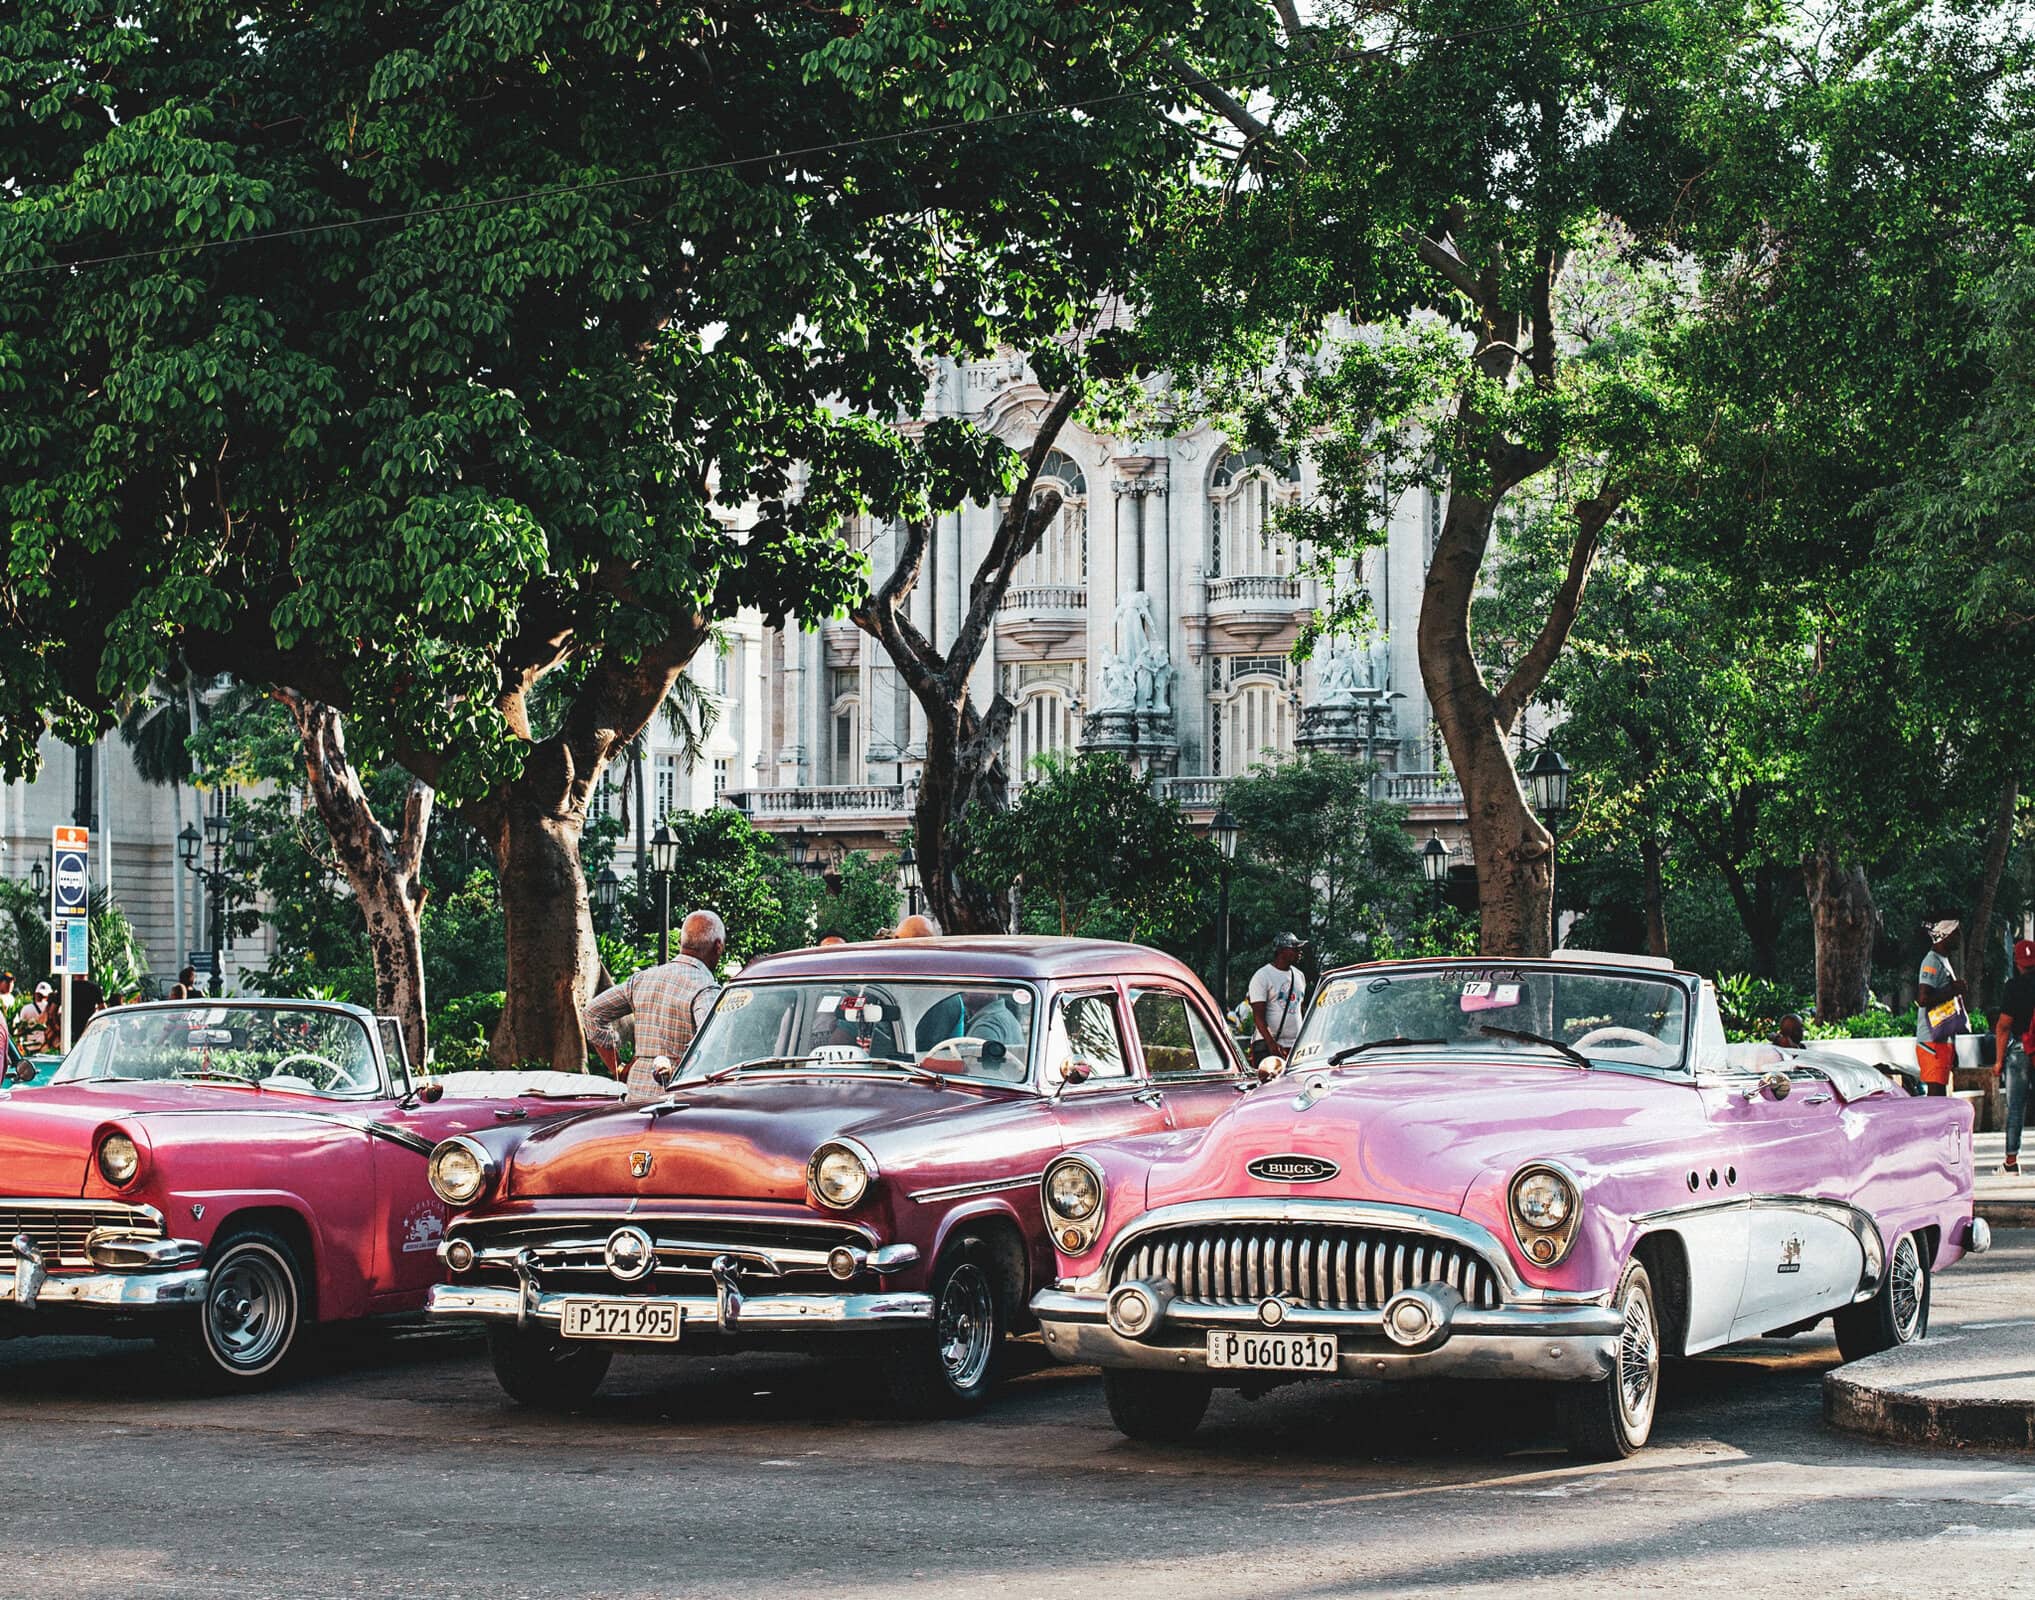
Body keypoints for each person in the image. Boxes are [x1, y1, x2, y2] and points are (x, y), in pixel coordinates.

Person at [583, 909, 727, 1103]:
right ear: (718, 946)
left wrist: (617, 1068)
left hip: (635, 1099)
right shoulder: (705, 989)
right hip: (678, 1102)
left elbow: (592, 1014)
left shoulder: (643, 979)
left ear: (681, 943)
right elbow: (713, 1044)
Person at [1994, 939, 2035, 1175]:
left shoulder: (2013, 986)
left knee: (2016, 1107)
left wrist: (1999, 1061)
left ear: (2017, 962)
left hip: (2020, 1051)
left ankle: (2011, 1162)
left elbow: (2003, 1026)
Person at [1916, 918, 1969, 1098]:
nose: (1960, 937)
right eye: (1957, 933)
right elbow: (1923, 998)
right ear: (1945, 936)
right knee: (1936, 1092)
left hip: (1942, 1039)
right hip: (1932, 1040)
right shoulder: (1931, 962)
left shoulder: (1942, 960)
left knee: (1941, 1090)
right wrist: (1954, 990)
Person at [1249, 933, 1309, 1066]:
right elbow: (1258, 1016)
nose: (1299, 952)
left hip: (1295, 1046)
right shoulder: (1262, 976)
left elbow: (1300, 1009)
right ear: (1281, 951)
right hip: (1270, 1046)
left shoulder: (1299, 976)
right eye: (1295, 949)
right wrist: (1272, 1044)